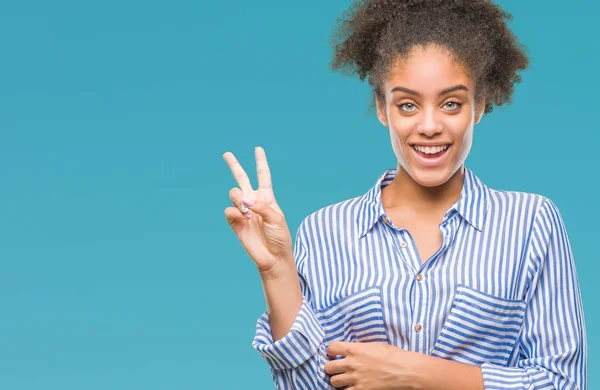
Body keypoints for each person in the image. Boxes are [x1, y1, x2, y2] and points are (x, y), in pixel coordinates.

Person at [223, 0, 587, 388]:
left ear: (478, 105)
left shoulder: (531, 223)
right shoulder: (325, 232)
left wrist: (412, 373)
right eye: (408, 104)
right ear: (382, 108)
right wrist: (277, 270)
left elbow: (562, 382)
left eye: (451, 103)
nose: (429, 126)